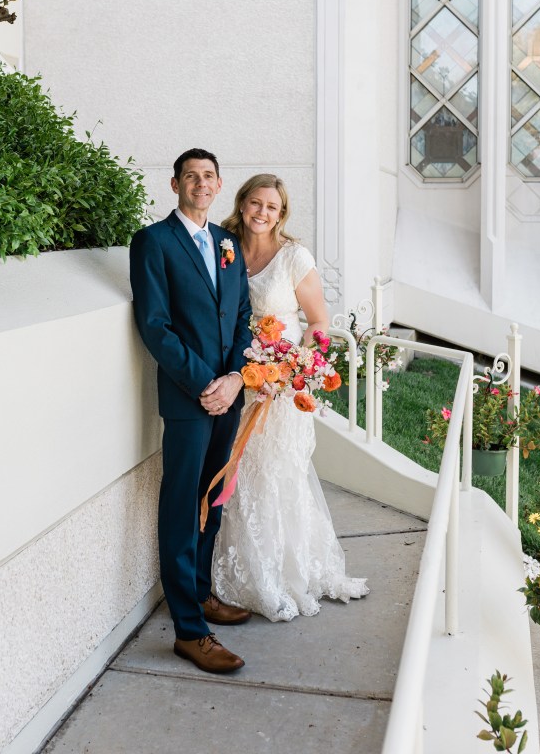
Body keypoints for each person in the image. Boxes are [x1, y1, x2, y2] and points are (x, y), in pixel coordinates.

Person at [212, 173, 369, 621]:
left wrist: (295, 368)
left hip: (280, 388)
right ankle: (243, 570)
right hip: (235, 379)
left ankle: (285, 573)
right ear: (242, 203)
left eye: (272, 207)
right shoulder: (223, 248)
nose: (262, 213)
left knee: (277, 474)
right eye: (256, 203)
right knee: (237, 474)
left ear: (281, 214)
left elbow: (319, 322)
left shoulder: (294, 257)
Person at [129, 148, 253, 674]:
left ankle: (201, 592)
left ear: (219, 184)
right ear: (175, 184)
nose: (201, 183)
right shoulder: (153, 241)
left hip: (229, 392)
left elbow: (243, 315)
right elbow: (155, 325)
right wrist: (207, 383)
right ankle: (189, 630)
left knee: (212, 499)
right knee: (182, 507)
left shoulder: (227, 242)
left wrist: (236, 378)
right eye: (191, 176)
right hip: (189, 398)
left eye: (209, 176)